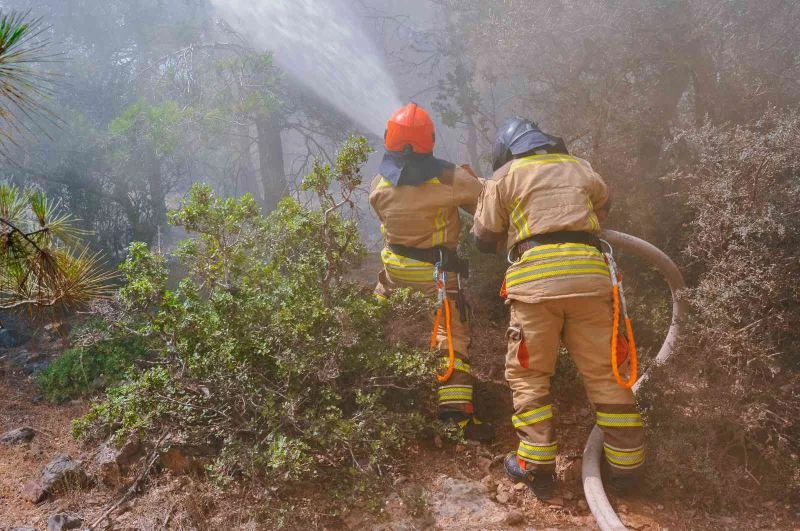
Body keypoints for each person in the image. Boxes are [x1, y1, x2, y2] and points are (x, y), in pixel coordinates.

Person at [472, 117, 644, 499]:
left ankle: (536, 466)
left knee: (529, 375)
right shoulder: (579, 166)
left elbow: (483, 237)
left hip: (535, 285)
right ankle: (628, 467)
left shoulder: (504, 176)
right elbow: (603, 204)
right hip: (589, 280)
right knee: (606, 373)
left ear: (507, 150)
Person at [369, 102, 494, 443]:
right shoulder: (449, 177)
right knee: (450, 335)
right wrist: (475, 180)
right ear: (431, 140)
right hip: (435, 275)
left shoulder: (379, 182)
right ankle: (455, 417)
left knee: (374, 321)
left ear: (389, 138)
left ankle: (367, 393)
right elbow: (488, 200)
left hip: (394, 271)